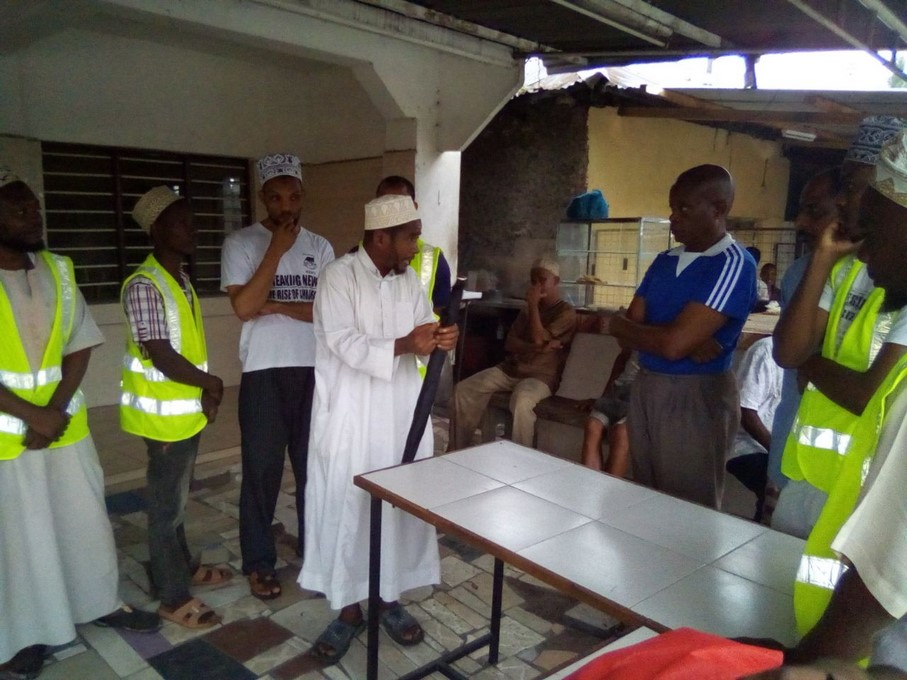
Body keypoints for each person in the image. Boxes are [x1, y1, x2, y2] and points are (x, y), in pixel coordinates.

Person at [745, 137, 907, 671]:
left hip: (862, 494)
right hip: (814, 481)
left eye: (867, 203)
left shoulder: (895, 288)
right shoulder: (847, 272)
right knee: (796, 596)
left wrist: (812, 365)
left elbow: (861, 394)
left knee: (865, 640)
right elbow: (788, 352)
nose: (850, 209)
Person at [0, 169, 159, 679]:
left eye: (35, 206)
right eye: (19, 209)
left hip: (64, 426)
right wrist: (33, 415)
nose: (35, 215)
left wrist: (55, 410)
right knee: (20, 540)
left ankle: (98, 602)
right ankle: (26, 635)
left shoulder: (58, 270)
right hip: (8, 439)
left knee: (83, 521)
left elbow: (80, 342)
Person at [298, 194, 458, 664]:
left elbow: (422, 328)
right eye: (410, 237)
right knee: (346, 505)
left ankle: (389, 598)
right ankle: (348, 610)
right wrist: (406, 343)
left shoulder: (409, 281)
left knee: (396, 506)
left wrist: (438, 336)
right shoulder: (338, 277)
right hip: (349, 417)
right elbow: (344, 342)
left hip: (400, 415)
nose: (416, 246)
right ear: (381, 237)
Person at [220, 153, 335, 600]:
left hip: (314, 371)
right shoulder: (241, 243)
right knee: (261, 471)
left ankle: (316, 549)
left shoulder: (320, 247)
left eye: (293, 197)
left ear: (303, 196)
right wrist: (276, 251)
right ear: (262, 198)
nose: (286, 206)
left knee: (313, 468)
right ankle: (259, 562)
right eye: (276, 198)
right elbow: (244, 307)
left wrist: (275, 306)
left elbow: (327, 313)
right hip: (263, 372)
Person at [609, 164, 757, 509]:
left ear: (718, 209)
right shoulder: (664, 260)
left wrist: (650, 334)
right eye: (673, 208)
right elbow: (627, 335)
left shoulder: (732, 263)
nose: (673, 218)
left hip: (694, 393)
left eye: (684, 209)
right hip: (647, 384)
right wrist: (670, 337)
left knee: (688, 508)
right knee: (646, 498)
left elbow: (671, 345)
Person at [120, 186, 228, 629]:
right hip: (162, 420)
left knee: (177, 501)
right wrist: (211, 384)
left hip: (184, 414)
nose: (193, 230)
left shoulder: (179, 281)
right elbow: (162, 355)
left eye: (192, 222)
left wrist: (204, 395)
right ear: (156, 230)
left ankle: (181, 568)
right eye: (182, 223)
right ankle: (172, 595)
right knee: (165, 511)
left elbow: (188, 350)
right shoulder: (145, 286)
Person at [450, 257, 576, 450]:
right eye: (533, 281)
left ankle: (520, 459)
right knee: (463, 390)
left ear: (556, 281)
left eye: (542, 280)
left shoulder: (565, 312)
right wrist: (537, 348)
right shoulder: (526, 311)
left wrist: (533, 306)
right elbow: (511, 343)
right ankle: (457, 450)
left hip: (540, 377)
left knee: (521, 401)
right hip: (510, 370)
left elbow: (538, 338)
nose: (537, 286)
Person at [766, 168, 840, 495]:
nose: (800, 222)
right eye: (802, 210)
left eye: (815, 211)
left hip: (841, 466)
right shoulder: (799, 271)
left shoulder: (879, 279)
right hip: (790, 441)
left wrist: (810, 364)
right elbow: (787, 355)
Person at [375, 175, 451, 315]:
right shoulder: (356, 258)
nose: (393, 212)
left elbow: (440, 316)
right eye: (385, 205)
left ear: (414, 207)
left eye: (401, 205)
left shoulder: (435, 260)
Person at [725, 337, 783, 522]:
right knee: (778, 490)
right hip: (747, 445)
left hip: (787, 451)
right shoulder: (766, 350)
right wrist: (778, 453)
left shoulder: (822, 355)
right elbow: (745, 412)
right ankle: (763, 529)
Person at [579, 343, 637, 476]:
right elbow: (622, 358)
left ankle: (608, 486)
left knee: (621, 432)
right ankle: (589, 484)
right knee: (592, 425)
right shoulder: (638, 335)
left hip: (640, 398)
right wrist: (603, 397)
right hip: (617, 390)